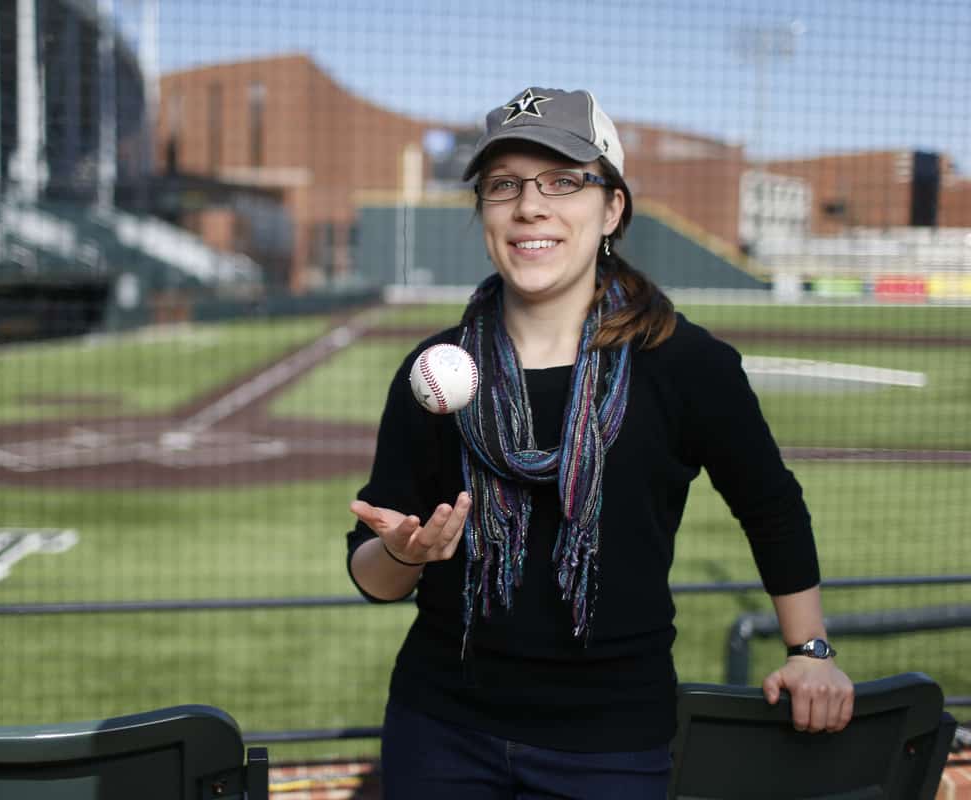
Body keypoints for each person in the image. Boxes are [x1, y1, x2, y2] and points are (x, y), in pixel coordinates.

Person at [345, 87, 854, 799]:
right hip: (440, 730)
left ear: (611, 208)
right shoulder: (435, 370)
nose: (530, 206)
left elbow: (771, 507)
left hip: (612, 742)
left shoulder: (684, 364)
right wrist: (402, 552)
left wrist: (810, 650)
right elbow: (372, 575)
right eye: (504, 185)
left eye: (562, 181)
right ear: (484, 210)